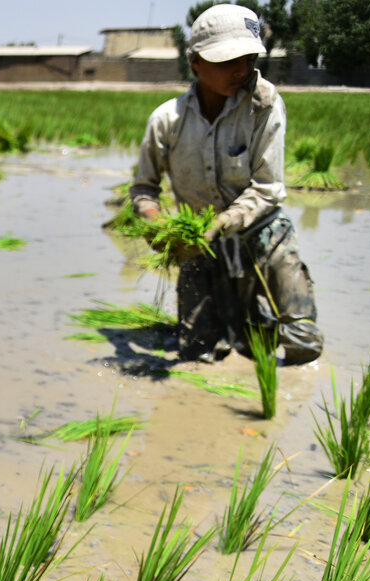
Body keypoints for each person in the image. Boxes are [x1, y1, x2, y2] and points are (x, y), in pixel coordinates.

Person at [129, 4, 322, 365]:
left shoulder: (263, 106)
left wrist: (222, 223)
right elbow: (144, 189)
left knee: (301, 342)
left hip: (261, 235)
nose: (241, 69)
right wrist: (155, 222)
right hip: (199, 246)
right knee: (199, 351)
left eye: (249, 58)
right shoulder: (167, 120)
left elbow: (267, 188)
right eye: (227, 60)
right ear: (196, 62)